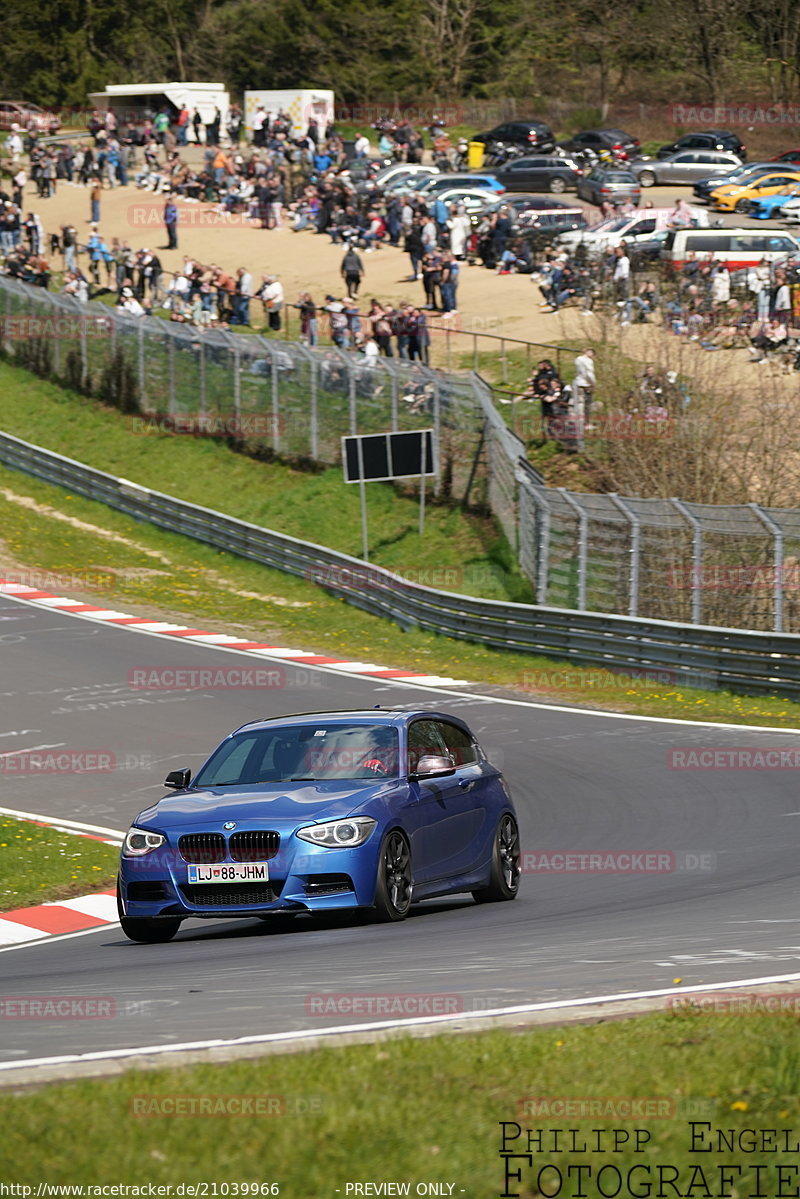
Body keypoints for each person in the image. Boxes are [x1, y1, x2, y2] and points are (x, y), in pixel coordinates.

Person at [572, 348, 596, 427]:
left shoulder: (578, 359)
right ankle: (585, 423)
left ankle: (579, 422)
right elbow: (588, 373)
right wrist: (592, 383)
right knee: (586, 404)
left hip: (579, 383)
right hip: (586, 384)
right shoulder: (587, 361)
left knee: (580, 404)